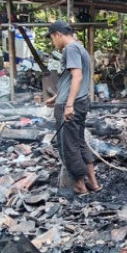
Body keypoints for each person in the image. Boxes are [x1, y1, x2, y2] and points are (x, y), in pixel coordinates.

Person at [45, 20, 101, 196]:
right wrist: (57, 97)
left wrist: (68, 104)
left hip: (72, 104)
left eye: (53, 39)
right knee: (79, 142)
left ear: (57, 35)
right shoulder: (80, 49)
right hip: (80, 101)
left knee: (68, 145)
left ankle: (79, 185)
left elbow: (77, 76)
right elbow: (73, 80)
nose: (54, 43)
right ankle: (92, 182)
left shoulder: (70, 49)